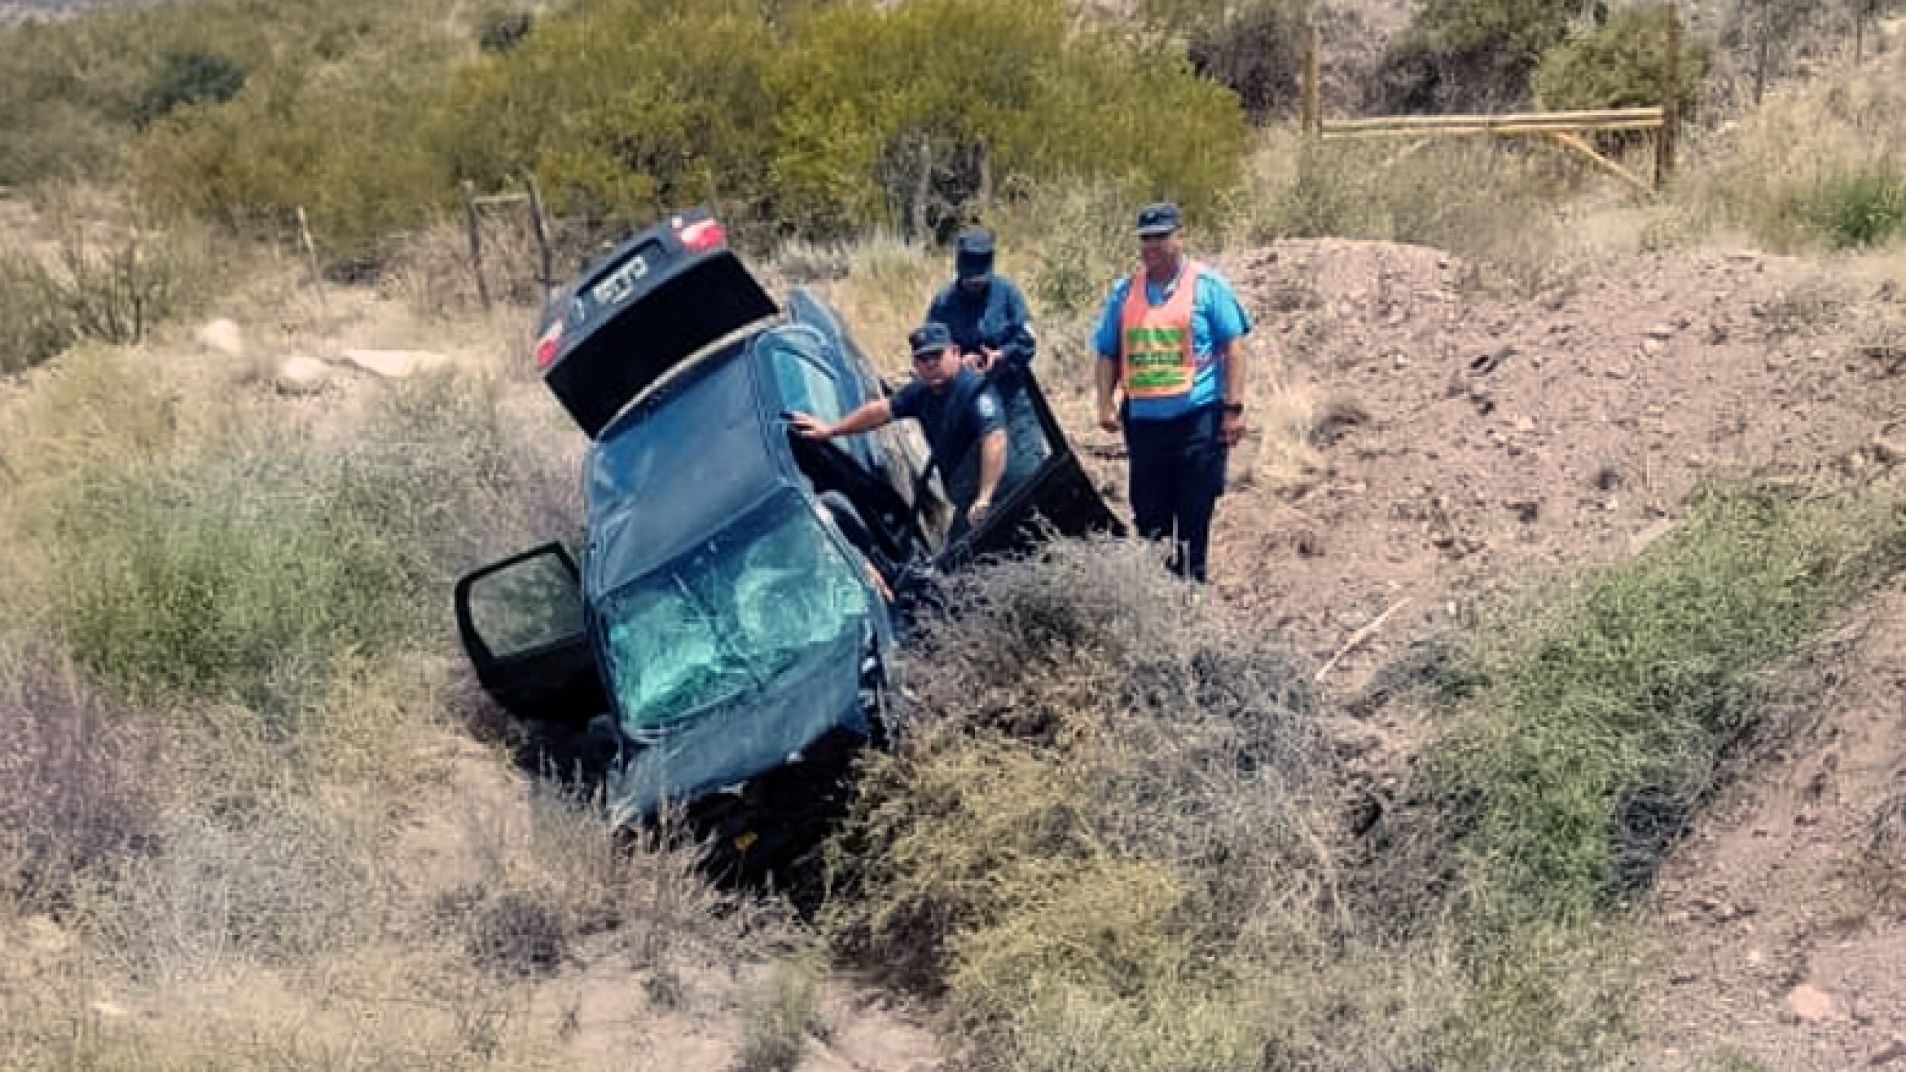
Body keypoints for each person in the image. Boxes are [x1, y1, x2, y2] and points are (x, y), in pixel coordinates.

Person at [1092, 201, 1252, 583]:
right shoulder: (1124, 293)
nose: (1152, 246)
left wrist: (1233, 409)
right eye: (1146, 238)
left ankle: (1193, 599)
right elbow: (1108, 352)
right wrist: (1104, 402)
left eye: (1161, 237)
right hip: (1145, 425)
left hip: (1197, 421)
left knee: (1194, 515)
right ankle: (1160, 602)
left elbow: (1234, 348)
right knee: (1151, 520)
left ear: (1180, 237)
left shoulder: (1207, 287)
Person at [791, 321, 1007, 539]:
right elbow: (879, 411)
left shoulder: (973, 388)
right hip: (962, 492)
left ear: (955, 352)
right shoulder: (921, 393)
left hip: (995, 485)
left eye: (937, 355)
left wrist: (984, 497)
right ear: (915, 363)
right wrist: (830, 430)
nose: (931, 364)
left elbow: (994, 439)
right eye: (924, 359)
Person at [927, 227, 1045, 491]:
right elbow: (930, 354)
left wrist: (1002, 355)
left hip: (1011, 399)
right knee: (971, 484)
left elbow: (1027, 340)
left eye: (980, 279)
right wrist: (958, 364)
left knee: (1027, 475)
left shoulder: (1007, 294)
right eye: (970, 279)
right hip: (967, 407)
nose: (975, 284)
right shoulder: (943, 304)